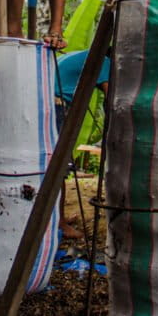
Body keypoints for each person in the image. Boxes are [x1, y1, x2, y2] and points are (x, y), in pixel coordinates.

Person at [54, 49, 110, 240]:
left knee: (53, 166)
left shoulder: (81, 55)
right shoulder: (105, 61)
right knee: (58, 167)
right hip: (56, 106)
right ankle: (60, 224)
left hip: (45, 102)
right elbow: (113, 99)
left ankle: (56, 218)